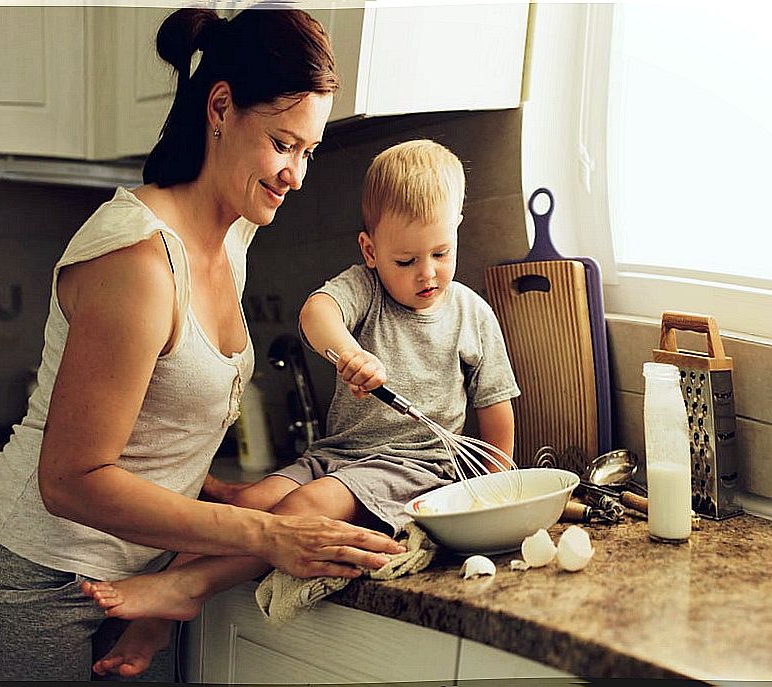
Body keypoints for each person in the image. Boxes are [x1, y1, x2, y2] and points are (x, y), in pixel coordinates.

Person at [0, 8, 406, 682]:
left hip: (144, 572)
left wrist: (212, 489)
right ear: (221, 107)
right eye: (284, 144)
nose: (297, 174)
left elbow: (152, 426)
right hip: (29, 580)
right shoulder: (136, 260)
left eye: (308, 151)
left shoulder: (235, 234)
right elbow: (70, 479)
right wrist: (270, 534)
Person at [78, 139, 522, 667]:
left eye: (441, 253)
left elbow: (496, 414)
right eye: (406, 260)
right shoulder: (365, 290)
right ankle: (152, 625)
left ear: (457, 231)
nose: (427, 273)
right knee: (246, 505)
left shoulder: (472, 315)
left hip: (415, 467)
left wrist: (494, 494)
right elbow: (317, 313)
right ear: (370, 250)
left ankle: (192, 587)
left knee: (303, 510)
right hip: (339, 455)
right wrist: (349, 352)